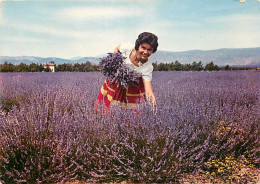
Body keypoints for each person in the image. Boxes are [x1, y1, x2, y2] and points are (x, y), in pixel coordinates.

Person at [95, 32, 158, 112]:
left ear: (153, 51)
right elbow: (117, 48)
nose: (145, 52)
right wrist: (113, 62)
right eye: (143, 48)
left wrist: (154, 109)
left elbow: (149, 91)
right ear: (138, 46)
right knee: (108, 110)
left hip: (132, 90)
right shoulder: (128, 48)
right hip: (116, 84)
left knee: (130, 116)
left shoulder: (147, 67)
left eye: (149, 50)